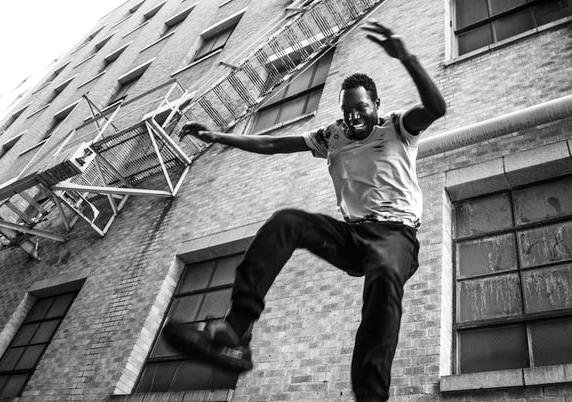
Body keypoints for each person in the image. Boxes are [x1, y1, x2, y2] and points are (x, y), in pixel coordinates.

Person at [164, 19, 446, 402]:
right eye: (348, 110)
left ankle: (371, 395)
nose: (353, 117)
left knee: (382, 279)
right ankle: (235, 331)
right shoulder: (332, 136)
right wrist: (217, 137)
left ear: (375, 105)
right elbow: (273, 146)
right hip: (352, 236)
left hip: (395, 237)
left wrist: (407, 58)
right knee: (287, 222)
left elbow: (436, 107)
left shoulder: (397, 128)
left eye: (361, 108)